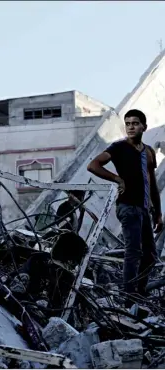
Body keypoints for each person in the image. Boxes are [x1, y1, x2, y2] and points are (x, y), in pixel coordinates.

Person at [87, 109, 163, 305]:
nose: (131, 127)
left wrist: (158, 214)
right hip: (127, 207)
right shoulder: (118, 147)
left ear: (144, 127)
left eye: (135, 123)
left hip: (144, 209)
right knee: (133, 251)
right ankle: (129, 296)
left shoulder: (148, 152)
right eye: (128, 123)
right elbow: (93, 165)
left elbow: (152, 184)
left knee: (151, 255)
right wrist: (116, 178)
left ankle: (139, 291)